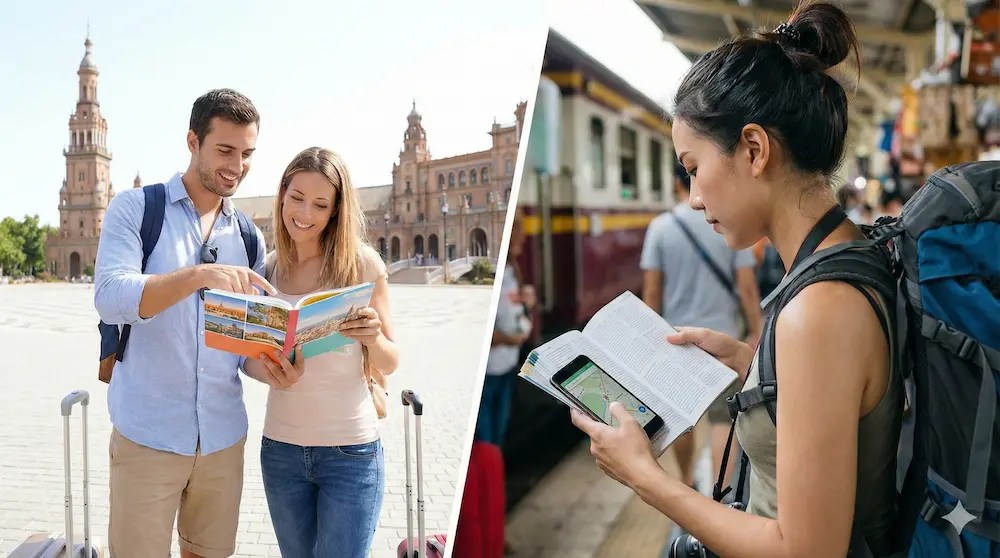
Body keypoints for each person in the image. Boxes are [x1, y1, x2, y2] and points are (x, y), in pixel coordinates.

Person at [570, 2, 905, 557]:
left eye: (693, 168)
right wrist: (757, 366)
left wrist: (645, 477)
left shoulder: (818, 310)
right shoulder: (844, 260)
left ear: (754, 149)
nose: (693, 197)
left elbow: (804, 552)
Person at [94, 89, 303, 558]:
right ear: (193, 141)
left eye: (247, 153)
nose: (237, 166)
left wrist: (273, 368)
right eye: (225, 150)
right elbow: (110, 297)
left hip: (222, 442)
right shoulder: (136, 209)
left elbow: (244, 348)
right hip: (148, 437)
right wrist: (198, 276)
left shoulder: (248, 236)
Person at [245, 146, 400, 558]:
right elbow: (247, 357)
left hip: (350, 453)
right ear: (282, 195)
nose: (304, 213)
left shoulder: (362, 265)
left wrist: (372, 338)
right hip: (281, 451)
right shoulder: (268, 270)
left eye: (319, 204)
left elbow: (390, 361)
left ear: (335, 211)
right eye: (296, 198)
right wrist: (270, 372)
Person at [640, 162, 762, 496]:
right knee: (724, 420)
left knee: (681, 421)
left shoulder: (659, 228)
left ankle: (686, 480)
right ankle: (718, 494)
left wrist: (646, 345)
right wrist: (757, 331)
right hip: (724, 341)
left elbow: (652, 293)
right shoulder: (728, 224)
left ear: (675, 184)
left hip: (675, 341)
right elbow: (747, 288)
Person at [477, 209, 535, 447]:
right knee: (486, 442)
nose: (523, 241)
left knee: (496, 439)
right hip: (489, 371)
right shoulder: (492, 274)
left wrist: (526, 302)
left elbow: (515, 309)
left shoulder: (512, 270)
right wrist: (504, 339)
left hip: (507, 366)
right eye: (519, 235)